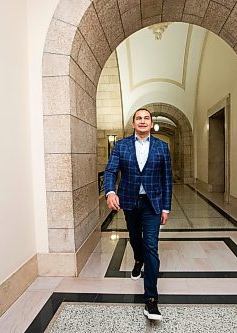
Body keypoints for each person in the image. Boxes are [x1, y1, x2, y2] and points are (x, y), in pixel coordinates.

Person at [104, 108, 173, 321]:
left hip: (153, 204)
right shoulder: (121, 145)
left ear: (151, 124)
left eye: (146, 118)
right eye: (138, 119)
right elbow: (111, 171)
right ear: (133, 124)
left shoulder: (162, 147)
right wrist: (110, 191)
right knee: (135, 239)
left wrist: (165, 207)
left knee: (151, 245)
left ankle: (151, 300)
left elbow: (167, 179)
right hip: (130, 202)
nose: (143, 121)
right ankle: (137, 260)